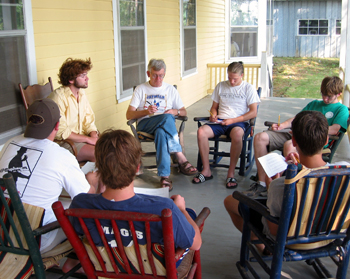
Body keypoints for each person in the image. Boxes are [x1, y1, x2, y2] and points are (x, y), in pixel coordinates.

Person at [69, 129, 202, 266]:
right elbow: (196, 244)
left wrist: (97, 189)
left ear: (98, 168)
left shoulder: (80, 203)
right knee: (189, 214)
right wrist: (181, 209)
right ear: (137, 168)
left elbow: (80, 233)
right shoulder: (164, 208)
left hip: (108, 267)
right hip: (152, 269)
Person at [224, 111, 346, 251]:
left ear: (293, 141)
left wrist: (271, 189)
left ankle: (264, 248)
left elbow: (274, 229)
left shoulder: (282, 184)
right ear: (326, 141)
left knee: (230, 201)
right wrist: (299, 165)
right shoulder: (344, 172)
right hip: (330, 235)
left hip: (291, 239)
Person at [0, 99, 97, 255]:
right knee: (82, 210)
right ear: (57, 126)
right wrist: (92, 182)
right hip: (35, 240)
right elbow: (86, 198)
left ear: (28, 121)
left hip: (4, 232)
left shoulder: (9, 143)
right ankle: (81, 263)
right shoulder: (61, 155)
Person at [248, 76, 349, 198]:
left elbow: (335, 129)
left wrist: (306, 130)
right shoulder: (314, 104)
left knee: (289, 145)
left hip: (312, 139)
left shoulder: (341, 109)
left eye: (329, 96)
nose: (325, 99)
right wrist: (282, 126)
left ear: (338, 94)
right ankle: (263, 182)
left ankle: (290, 183)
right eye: (323, 94)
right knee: (260, 138)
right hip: (295, 132)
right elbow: (297, 118)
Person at [126, 58, 197, 190]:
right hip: (145, 125)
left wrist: (175, 111)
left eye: (161, 76)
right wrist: (145, 111)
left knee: (161, 133)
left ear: (164, 74)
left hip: (164, 127)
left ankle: (164, 177)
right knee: (167, 118)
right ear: (148, 74)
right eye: (154, 75)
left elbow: (184, 111)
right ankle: (179, 155)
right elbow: (129, 115)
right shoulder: (141, 89)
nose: (158, 79)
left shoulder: (170, 89)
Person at [193, 61, 260, 188]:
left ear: (242, 75)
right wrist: (213, 114)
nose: (231, 81)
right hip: (219, 122)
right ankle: (206, 170)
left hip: (238, 123)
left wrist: (233, 120)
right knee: (201, 131)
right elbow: (214, 107)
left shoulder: (248, 88)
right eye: (229, 77)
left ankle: (231, 173)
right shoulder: (221, 86)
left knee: (238, 134)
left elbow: (253, 112)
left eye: (234, 79)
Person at [48, 57, 98, 162]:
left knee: (113, 147)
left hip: (81, 138)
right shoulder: (58, 97)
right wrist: (88, 139)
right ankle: (89, 177)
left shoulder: (81, 93)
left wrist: (94, 136)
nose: (87, 78)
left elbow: (88, 120)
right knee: (99, 154)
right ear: (71, 80)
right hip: (64, 143)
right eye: (83, 76)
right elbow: (60, 132)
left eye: (86, 75)